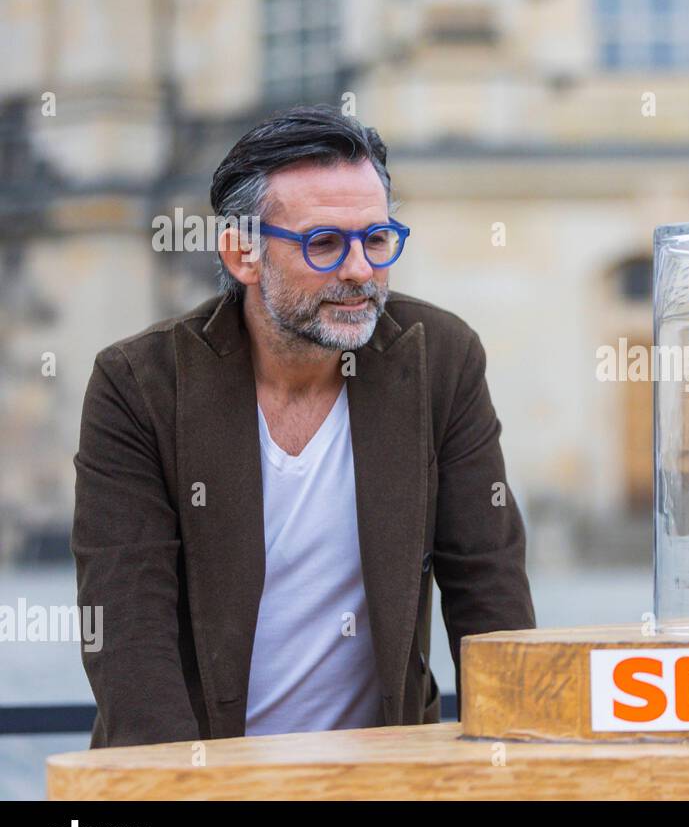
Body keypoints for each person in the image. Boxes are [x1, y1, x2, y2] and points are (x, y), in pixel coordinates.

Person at [72, 107, 536, 747]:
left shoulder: (442, 358)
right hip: (197, 773)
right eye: (323, 243)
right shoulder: (139, 382)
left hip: (381, 778)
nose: (359, 271)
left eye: (376, 239)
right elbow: (127, 631)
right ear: (242, 253)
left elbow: (488, 589)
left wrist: (523, 769)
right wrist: (183, 792)